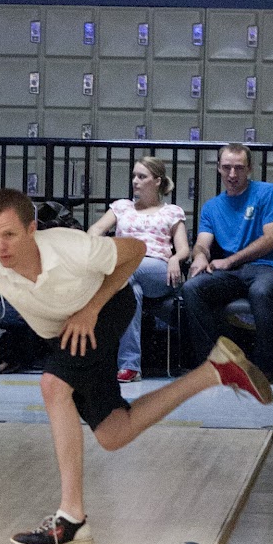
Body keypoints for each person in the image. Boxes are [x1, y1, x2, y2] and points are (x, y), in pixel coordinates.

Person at [0, 187, 273, 544]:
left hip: (105, 308)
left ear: (31, 229)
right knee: (115, 432)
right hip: (64, 331)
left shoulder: (68, 246)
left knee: (52, 385)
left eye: (9, 235)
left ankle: (71, 518)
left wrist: (91, 308)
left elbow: (132, 251)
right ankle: (213, 371)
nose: (0, 246)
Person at [178, 144, 273, 382]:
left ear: (249, 169)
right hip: (233, 272)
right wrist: (200, 256)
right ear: (218, 168)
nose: (232, 174)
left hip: (268, 266)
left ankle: (265, 369)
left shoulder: (267, 193)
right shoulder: (211, 207)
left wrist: (229, 260)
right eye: (227, 167)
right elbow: (202, 243)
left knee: (261, 292)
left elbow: (271, 239)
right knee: (192, 289)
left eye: (238, 168)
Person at [88, 157, 189, 381]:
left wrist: (175, 259)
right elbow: (95, 229)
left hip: (159, 269)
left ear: (157, 181)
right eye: (134, 176)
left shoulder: (172, 211)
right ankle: (130, 367)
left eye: (142, 176)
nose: (135, 181)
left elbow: (184, 249)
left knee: (124, 272)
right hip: (127, 272)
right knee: (130, 291)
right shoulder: (121, 207)